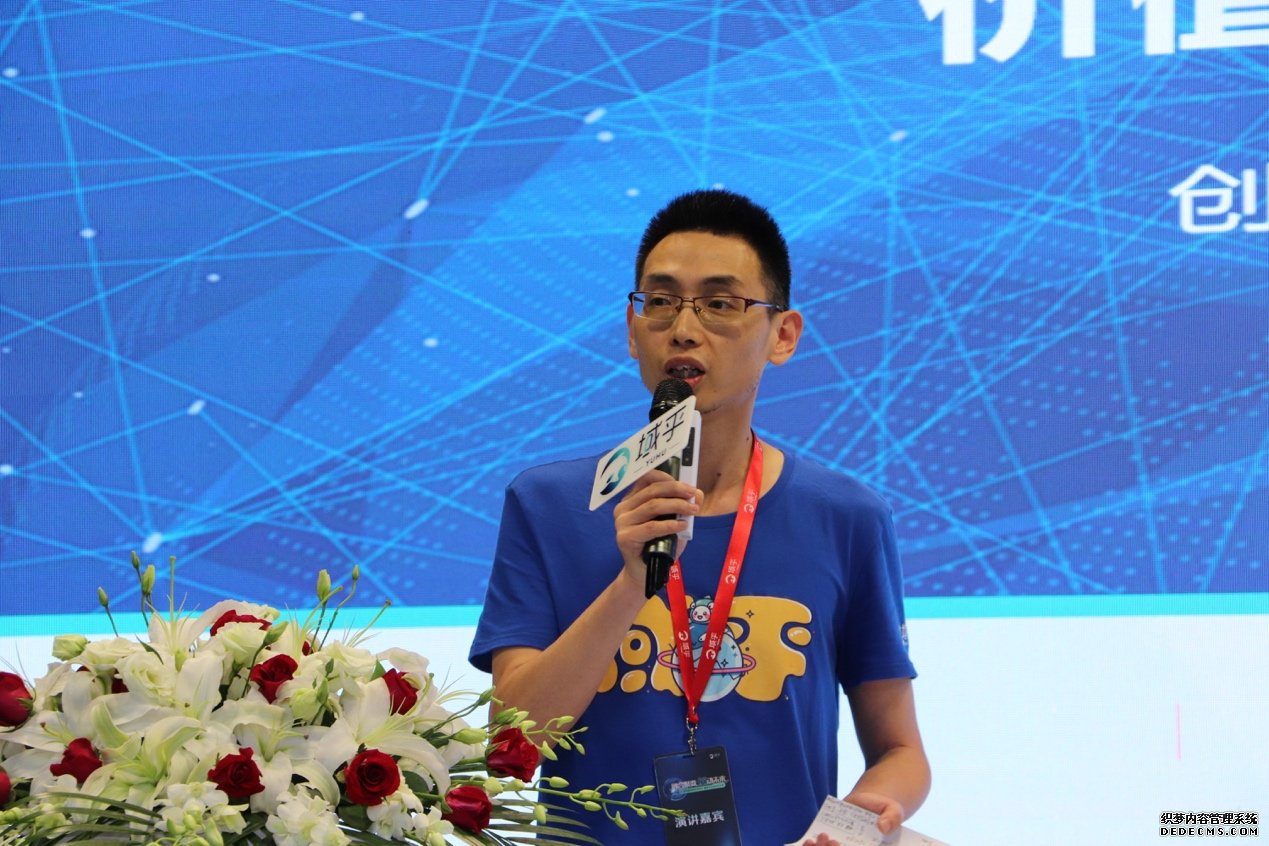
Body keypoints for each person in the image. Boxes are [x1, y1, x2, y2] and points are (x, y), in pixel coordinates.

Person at [469, 189, 930, 845]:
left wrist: (863, 815)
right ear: (632, 330)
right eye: (660, 301)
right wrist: (632, 583)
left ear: (782, 335)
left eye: (719, 304)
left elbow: (900, 751)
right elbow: (510, 747)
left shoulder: (846, 517)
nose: (684, 328)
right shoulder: (549, 504)